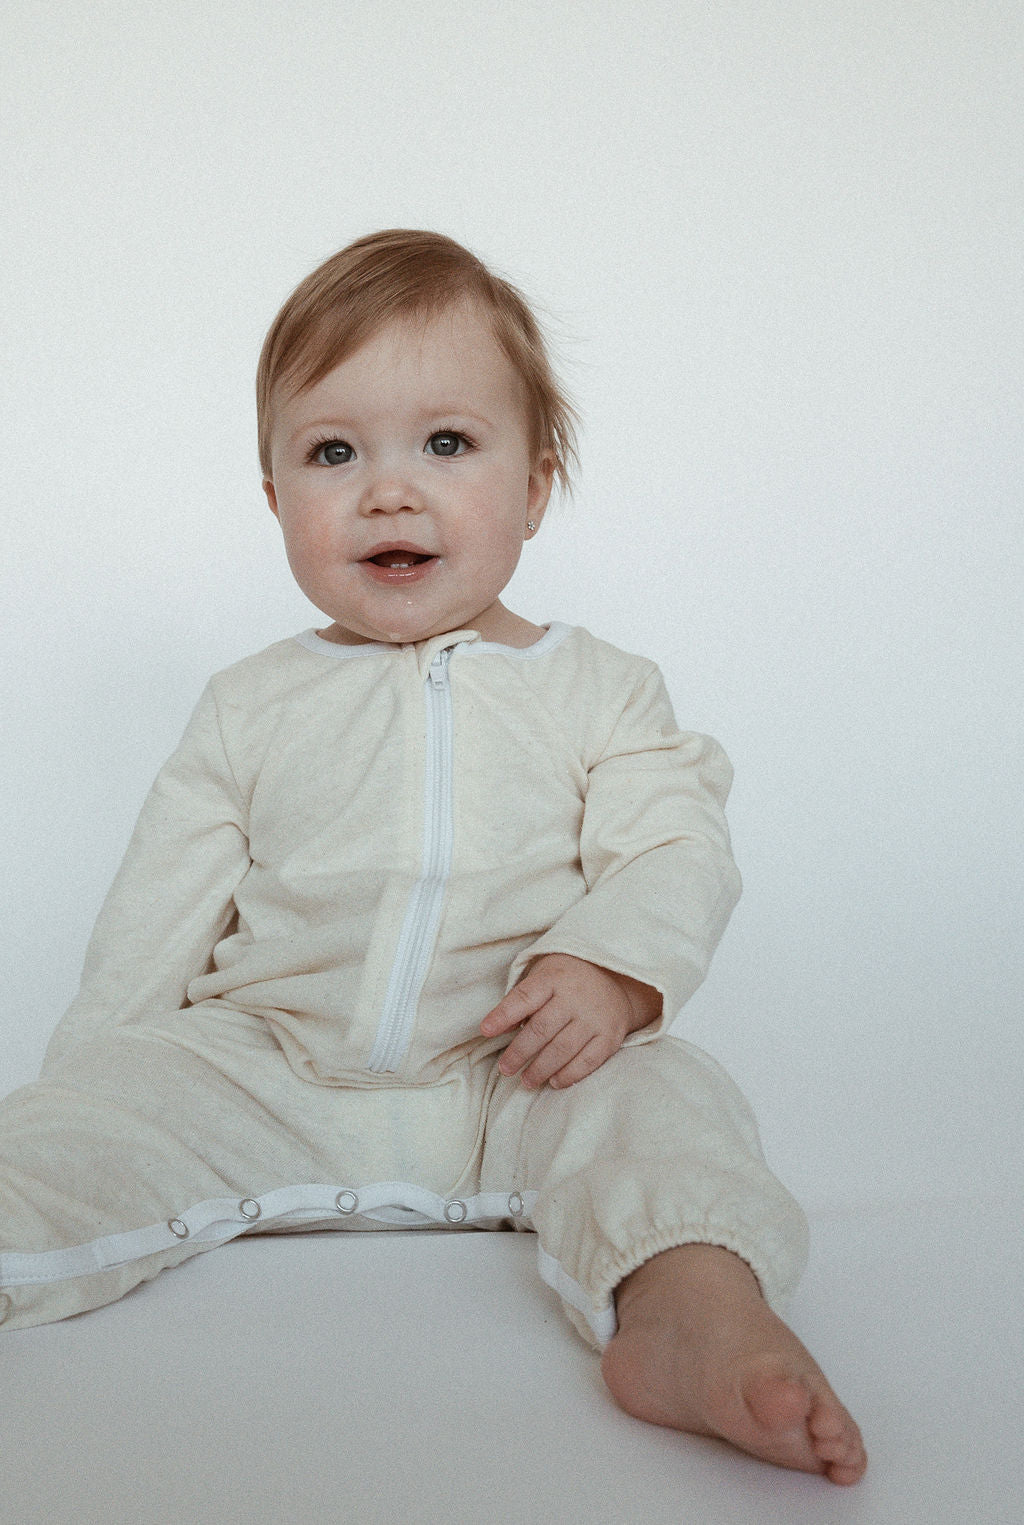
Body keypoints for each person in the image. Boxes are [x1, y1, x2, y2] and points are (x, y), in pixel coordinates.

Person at [0, 230, 866, 1484]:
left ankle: (688, 1312)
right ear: (273, 498)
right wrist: (95, 1093)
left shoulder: (602, 691)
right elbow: (156, 914)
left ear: (535, 483)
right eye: (332, 452)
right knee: (73, 1126)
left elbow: (675, 847)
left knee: (670, 1101)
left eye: (446, 444)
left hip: (519, 1070)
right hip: (270, 1067)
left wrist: (613, 972)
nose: (388, 491)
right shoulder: (251, 703)